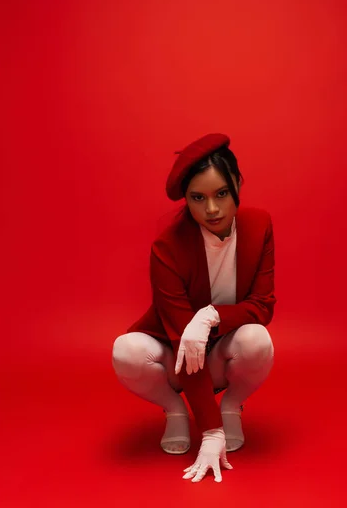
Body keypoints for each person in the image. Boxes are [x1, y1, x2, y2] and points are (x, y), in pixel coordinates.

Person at [112, 133, 276, 483]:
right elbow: (182, 339)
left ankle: (231, 405)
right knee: (125, 351)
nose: (212, 209)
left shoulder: (259, 225)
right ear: (186, 200)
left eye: (220, 194)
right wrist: (211, 431)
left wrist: (212, 314)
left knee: (257, 340)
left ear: (236, 183)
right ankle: (175, 409)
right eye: (198, 198)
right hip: (176, 352)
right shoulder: (167, 246)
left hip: (224, 349)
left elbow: (262, 306)